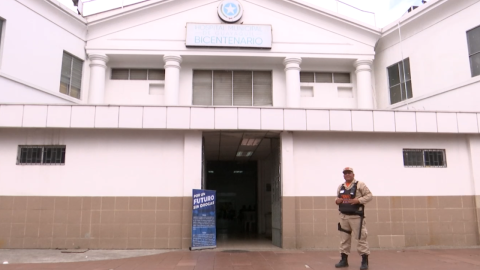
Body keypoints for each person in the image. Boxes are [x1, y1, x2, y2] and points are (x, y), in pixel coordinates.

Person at [334, 167, 373, 270]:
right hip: (343, 217)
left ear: (353, 174)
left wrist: (358, 200)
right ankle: (343, 260)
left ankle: (364, 261)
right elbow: (337, 198)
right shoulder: (341, 186)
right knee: (344, 240)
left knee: (361, 238)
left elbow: (369, 196)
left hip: (356, 217)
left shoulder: (360, 184)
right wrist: (337, 201)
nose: (347, 175)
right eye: (345, 173)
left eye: (349, 173)